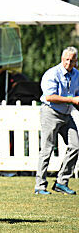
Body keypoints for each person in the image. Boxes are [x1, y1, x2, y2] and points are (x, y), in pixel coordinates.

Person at [34, 46, 79, 195]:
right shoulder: (52, 73)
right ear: (62, 59)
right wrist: (72, 99)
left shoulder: (77, 75)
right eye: (66, 60)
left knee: (75, 146)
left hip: (67, 114)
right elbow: (49, 97)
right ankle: (40, 186)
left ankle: (61, 182)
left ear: (76, 61)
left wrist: (74, 100)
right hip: (51, 113)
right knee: (47, 149)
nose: (69, 63)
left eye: (72, 60)